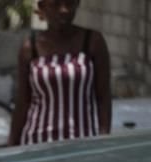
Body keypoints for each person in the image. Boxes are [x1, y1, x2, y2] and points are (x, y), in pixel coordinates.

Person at [7, 0, 111, 146]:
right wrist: (11, 146)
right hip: (37, 145)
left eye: (69, 3)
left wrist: (103, 141)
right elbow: (23, 102)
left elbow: (103, 98)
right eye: (56, 4)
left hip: (81, 144)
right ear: (42, 7)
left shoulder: (93, 42)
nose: (64, 10)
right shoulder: (30, 48)